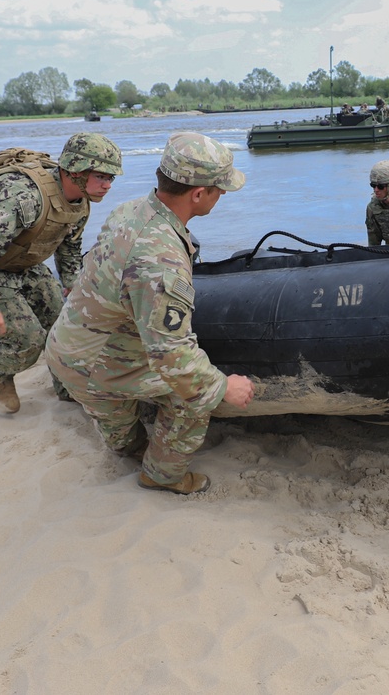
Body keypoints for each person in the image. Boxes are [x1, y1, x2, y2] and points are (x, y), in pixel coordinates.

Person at [44, 132, 255, 495]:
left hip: (66, 350)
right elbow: (173, 357)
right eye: (219, 189)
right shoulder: (161, 261)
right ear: (199, 194)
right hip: (97, 367)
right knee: (193, 397)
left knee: (121, 427)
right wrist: (223, 387)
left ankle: (127, 444)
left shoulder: (130, 210)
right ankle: (163, 476)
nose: (221, 196)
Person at [0, 132, 122, 414]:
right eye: (101, 176)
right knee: (27, 341)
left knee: (66, 329)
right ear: (74, 171)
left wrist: (73, 285)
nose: (107, 185)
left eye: (111, 178)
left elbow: (69, 246)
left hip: (24, 263)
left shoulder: (81, 201)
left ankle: (67, 386)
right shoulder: (26, 198)